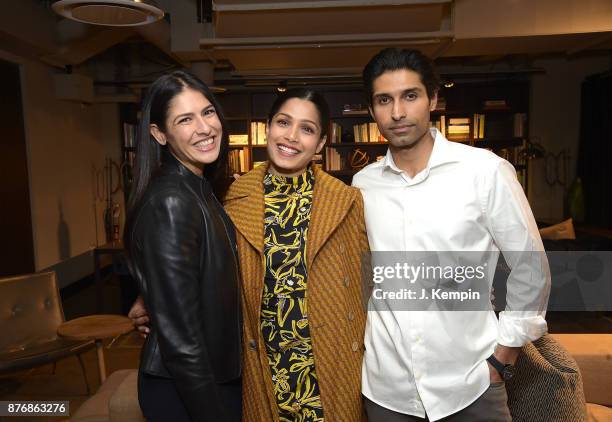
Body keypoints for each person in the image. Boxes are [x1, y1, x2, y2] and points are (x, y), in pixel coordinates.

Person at [130, 88, 369, 422]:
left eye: (307, 128)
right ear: (267, 127)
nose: (291, 136)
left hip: (331, 364)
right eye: (283, 122)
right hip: (261, 369)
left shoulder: (349, 201)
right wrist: (153, 294)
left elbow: (368, 288)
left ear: (320, 144)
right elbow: (205, 266)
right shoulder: (228, 196)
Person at [353, 48, 551, 422]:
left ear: (434, 99)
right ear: (371, 110)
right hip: (386, 390)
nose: (397, 112)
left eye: (410, 96)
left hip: (470, 384)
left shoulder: (485, 171)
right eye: (384, 100)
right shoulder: (362, 185)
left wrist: (505, 353)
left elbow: (531, 266)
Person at [123, 70, 242, 422]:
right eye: (185, 120)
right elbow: (182, 343)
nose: (205, 128)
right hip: (189, 389)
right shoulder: (173, 201)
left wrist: (152, 296)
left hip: (209, 377)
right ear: (160, 134)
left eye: (208, 112)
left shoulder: (200, 188)